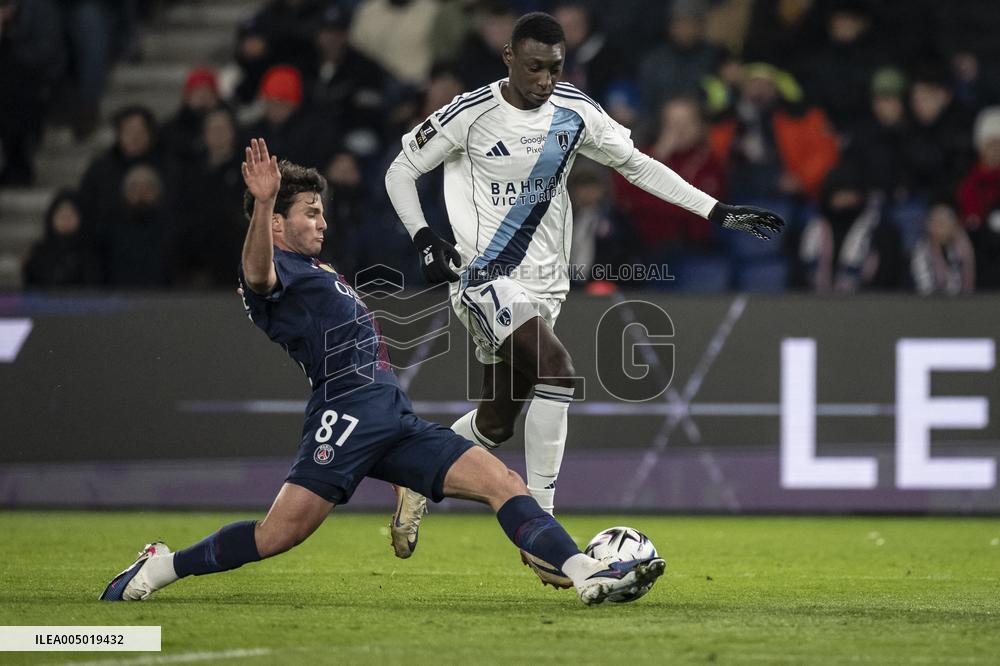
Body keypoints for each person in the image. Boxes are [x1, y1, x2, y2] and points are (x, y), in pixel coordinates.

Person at [99, 139, 664, 606]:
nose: (322, 220)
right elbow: (257, 274)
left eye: (322, 210)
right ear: (275, 224)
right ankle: (161, 567)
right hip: (344, 415)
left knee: (504, 484)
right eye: (309, 213)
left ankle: (588, 574)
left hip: (391, 415)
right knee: (277, 535)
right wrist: (265, 202)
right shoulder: (278, 273)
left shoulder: (315, 267)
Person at [383, 12, 783, 571]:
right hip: (483, 277)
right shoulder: (469, 115)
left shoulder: (574, 111)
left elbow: (637, 166)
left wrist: (716, 209)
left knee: (497, 422)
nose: (544, 79)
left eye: (554, 68)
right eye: (533, 67)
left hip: (547, 286)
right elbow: (400, 170)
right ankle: (540, 531)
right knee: (559, 373)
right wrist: (424, 236)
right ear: (508, 58)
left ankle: (415, 478)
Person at [22, 191, 99, 287]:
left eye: (71, 214)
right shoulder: (39, 252)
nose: (66, 219)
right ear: (52, 217)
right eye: (61, 214)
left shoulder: (92, 253)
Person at [911, 200, 975, 295]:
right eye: (937, 222)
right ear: (929, 226)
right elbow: (925, 287)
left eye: (945, 222)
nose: (941, 227)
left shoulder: (961, 247)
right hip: (930, 303)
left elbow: (965, 285)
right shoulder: (922, 250)